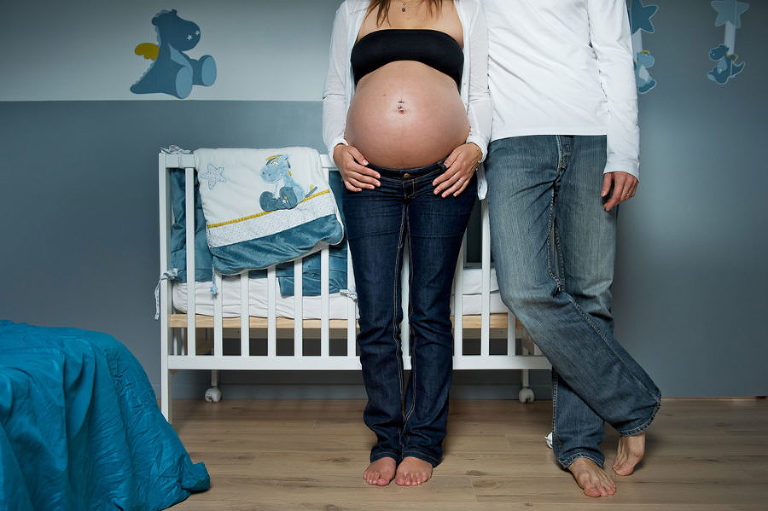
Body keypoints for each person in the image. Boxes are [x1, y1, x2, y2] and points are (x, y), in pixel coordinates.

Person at [482, 0, 662, 498]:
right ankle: (633, 405)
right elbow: (471, 64)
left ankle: (580, 446)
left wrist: (625, 151)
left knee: (591, 295)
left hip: (592, 136)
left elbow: (613, 53)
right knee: (525, 289)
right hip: (513, 139)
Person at [322, 0, 490, 487]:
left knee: (430, 313)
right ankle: (386, 439)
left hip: (445, 175)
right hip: (367, 178)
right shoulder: (354, 9)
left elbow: (479, 92)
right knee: (376, 315)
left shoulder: (464, 8)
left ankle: (423, 441)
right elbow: (337, 89)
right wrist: (338, 148)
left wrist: (475, 147)